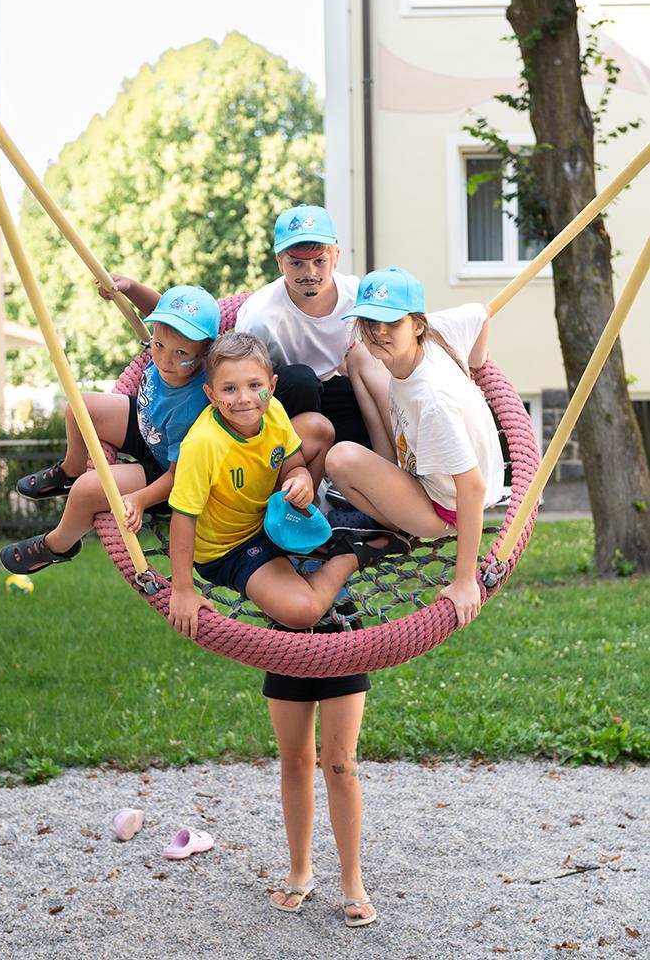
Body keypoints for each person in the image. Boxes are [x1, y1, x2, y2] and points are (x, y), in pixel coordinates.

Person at [167, 331, 411, 927]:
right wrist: (180, 589)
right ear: (210, 393)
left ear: (271, 387)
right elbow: (182, 519)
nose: (244, 397)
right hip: (242, 554)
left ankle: (352, 881)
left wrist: (299, 476)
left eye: (254, 385)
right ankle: (300, 870)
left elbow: (293, 457)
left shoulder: (275, 414)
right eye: (229, 388)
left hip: (325, 613)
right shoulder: (204, 443)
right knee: (295, 759)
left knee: (341, 762)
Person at [326, 267, 505, 628]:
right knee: (359, 354)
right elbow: (480, 312)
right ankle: (386, 486)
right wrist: (476, 363)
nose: (378, 331)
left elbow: (471, 488)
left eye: (391, 323)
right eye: (369, 321)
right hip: (420, 463)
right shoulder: (438, 331)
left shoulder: (433, 401)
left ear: (416, 324)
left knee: (340, 458)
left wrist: (465, 579)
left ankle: (392, 528)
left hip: (442, 509)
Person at [0, 285, 221, 575]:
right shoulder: (173, 351)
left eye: (181, 353)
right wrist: (129, 288)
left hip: (170, 472)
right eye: (158, 345)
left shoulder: (193, 406)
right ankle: (71, 468)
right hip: (150, 426)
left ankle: (58, 544)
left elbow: (178, 476)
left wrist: (141, 499)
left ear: (206, 352)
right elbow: (158, 309)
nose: (165, 360)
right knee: (81, 408)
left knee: (87, 490)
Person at [234, 203, 394, 457]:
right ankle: (294, 464)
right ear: (279, 263)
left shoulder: (356, 296)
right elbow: (242, 378)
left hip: (331, 389)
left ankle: (382, 459)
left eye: (320, 261)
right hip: (283, 398)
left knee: (363, 367)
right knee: (302, 380)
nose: (309, 273)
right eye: (296, 264)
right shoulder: (260, 316)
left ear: (336, 258)